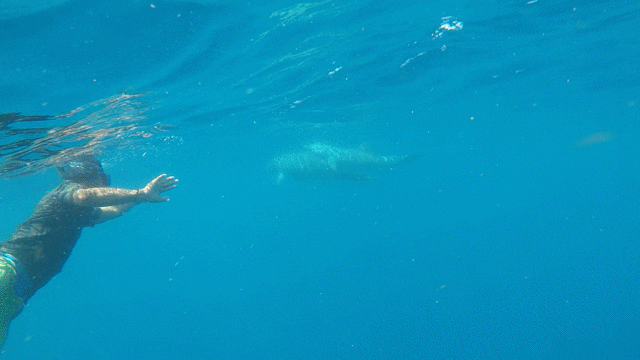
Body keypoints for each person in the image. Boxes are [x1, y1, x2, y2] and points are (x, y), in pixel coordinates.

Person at [0, 155, 178, 348]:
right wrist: (139, 193)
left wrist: (142, 197)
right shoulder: (65, 190)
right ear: (90, 176)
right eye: (104, 180)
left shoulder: (78, 213)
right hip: (8, 271)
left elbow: (115, 210)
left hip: (14, 295)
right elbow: (84, 196)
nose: (107, 185)